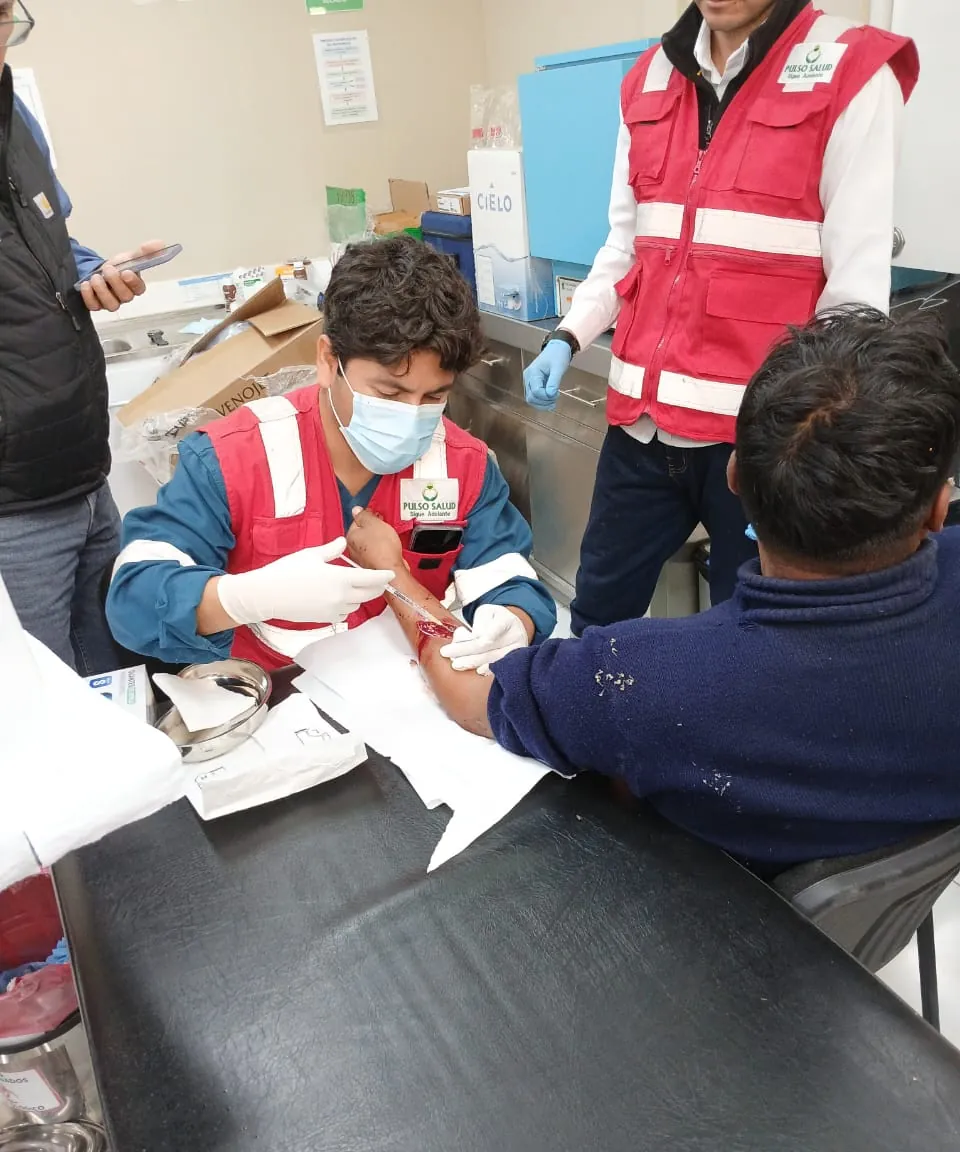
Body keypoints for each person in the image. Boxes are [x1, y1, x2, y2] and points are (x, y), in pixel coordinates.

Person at [358, 307, 960, 874]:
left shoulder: (643, 680)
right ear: (940, 506)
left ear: (733, 480)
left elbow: (469, 698)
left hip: (707, 923)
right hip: (871, 928)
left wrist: (397, 576)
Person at [522, 0, 919, 636]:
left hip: (757, 439)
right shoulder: (650, 76)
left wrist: (811, 447)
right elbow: (628, 247)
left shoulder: (849, 66)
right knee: (596, 614)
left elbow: (853, 292)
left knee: (753, 634)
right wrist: (569, 333)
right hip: (642, 429)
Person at [107, 236, 556, 671]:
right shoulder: (232, 458)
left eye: (434, 396)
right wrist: (246, 596)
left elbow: (506, 573)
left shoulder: (463, 465)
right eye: (389, 393)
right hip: (275, 702)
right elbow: (134, 600)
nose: (412, 416)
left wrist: (514, 619)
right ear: (327, 359)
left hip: (403, 701)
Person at [0, 1, 166, 674]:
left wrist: (96, 273)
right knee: (46, 714)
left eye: (5, 12)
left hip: (83, 468)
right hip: (13, 504)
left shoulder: (16, 117)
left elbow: (49, 242)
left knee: (121, 676)